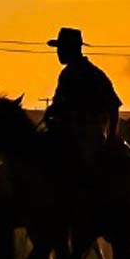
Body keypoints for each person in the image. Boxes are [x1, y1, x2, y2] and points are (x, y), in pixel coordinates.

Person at [44, 28, 122, 161]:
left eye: (61, 48)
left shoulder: (92, 74)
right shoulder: (67, 75)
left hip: (87, 140)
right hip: (66, 135)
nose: (58, 52)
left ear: (72, 49)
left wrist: (111, 137)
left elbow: (113, 106)